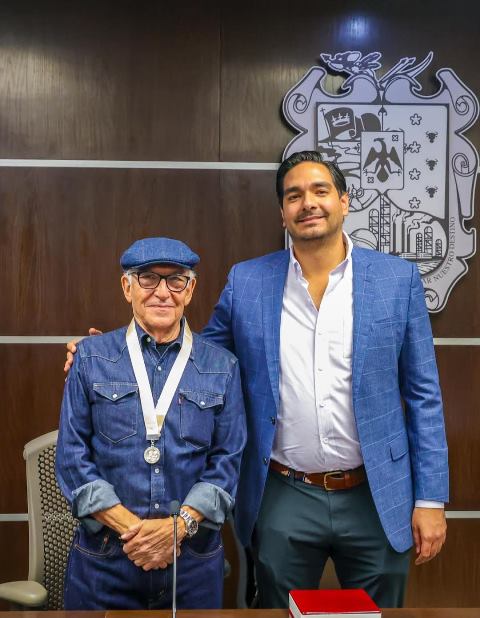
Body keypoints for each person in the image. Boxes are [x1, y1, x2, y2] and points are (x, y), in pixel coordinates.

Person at [65, 152, 448, 608]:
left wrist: (431, 499)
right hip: (285, 492)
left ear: (344, 201)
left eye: (320, 191)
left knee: (378, 613)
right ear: (283, 212)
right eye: (294, 195)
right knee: (276, 609)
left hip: (377, 491)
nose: (308, 203)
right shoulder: (248, 281)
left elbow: (424, 394)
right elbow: (197, 355)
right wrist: (113, 357)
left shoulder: (397, 280)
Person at [56, 237, 246, 610]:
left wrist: (177, 528)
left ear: (189, 290)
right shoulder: (90, 360)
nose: (162, 292)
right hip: (106, 560)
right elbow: (72, 459)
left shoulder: (222, 367)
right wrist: (137, 534)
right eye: (147, 278)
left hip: (192, 563)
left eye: (175, 280)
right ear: (127, 287)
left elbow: (227, 462)